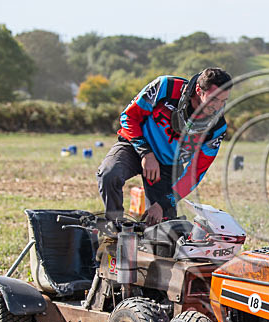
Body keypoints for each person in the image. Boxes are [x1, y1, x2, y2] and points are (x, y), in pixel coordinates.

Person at [96, 67, 231, 224]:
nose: (218, 107)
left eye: (223, 101)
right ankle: (114, 228)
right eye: (214, 99)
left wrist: (162, 204)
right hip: (135, 147)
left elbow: (195, 173)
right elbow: (129, 116)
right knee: (109, 174)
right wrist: (146, 153)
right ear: (198, 89)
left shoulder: (217, 127)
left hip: (168, 166)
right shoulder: (166, 87)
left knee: (162, 228)